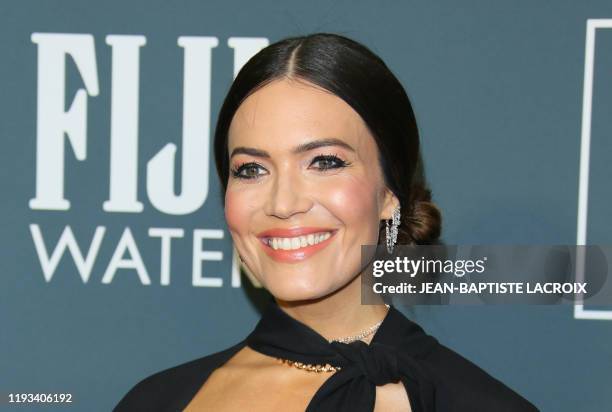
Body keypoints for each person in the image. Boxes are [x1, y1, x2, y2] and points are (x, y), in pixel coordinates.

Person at [114, 32, 539, 412]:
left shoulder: (481, 404)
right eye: (251, 169)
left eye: (325, 162)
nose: (283, 203)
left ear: (390, 194)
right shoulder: (157, 401)